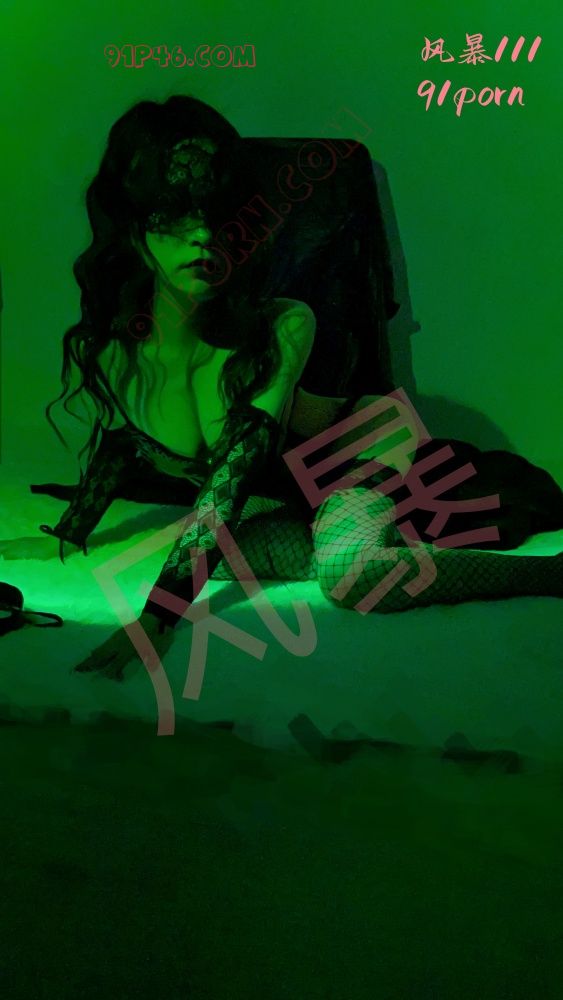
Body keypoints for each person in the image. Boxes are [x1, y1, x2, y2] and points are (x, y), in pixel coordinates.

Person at [1, 94, 561, 677]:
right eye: (174, 215)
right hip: (286, 494)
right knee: (203, 552)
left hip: (354, 454)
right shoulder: (116, 352)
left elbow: (233, 472)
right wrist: (68, 533)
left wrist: (159, 617)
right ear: (135, 227)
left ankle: (550, 572)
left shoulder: (283, 325)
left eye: (218, 216)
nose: (202, 235)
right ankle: (353, 541)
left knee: (349, 576)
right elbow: (122, 443)